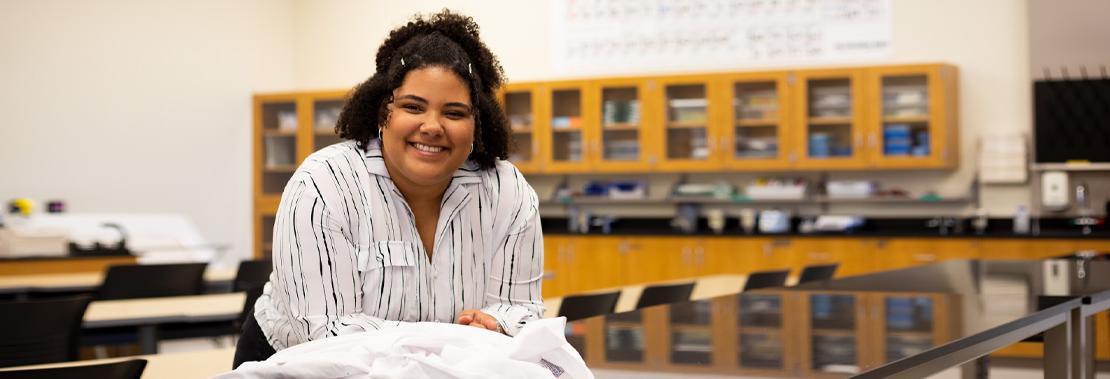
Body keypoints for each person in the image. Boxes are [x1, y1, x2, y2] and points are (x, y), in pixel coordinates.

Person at [233, 10, 544, 368]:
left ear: (477, 125)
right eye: (413, 107)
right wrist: (454, 340)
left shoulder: (508, 192)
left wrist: (497, 325)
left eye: (455, 113)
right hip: (299, 365)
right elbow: (329, 333)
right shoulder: (323, 186)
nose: (432, 126)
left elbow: (523, 309)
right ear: (384, 113)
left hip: (445, 368)